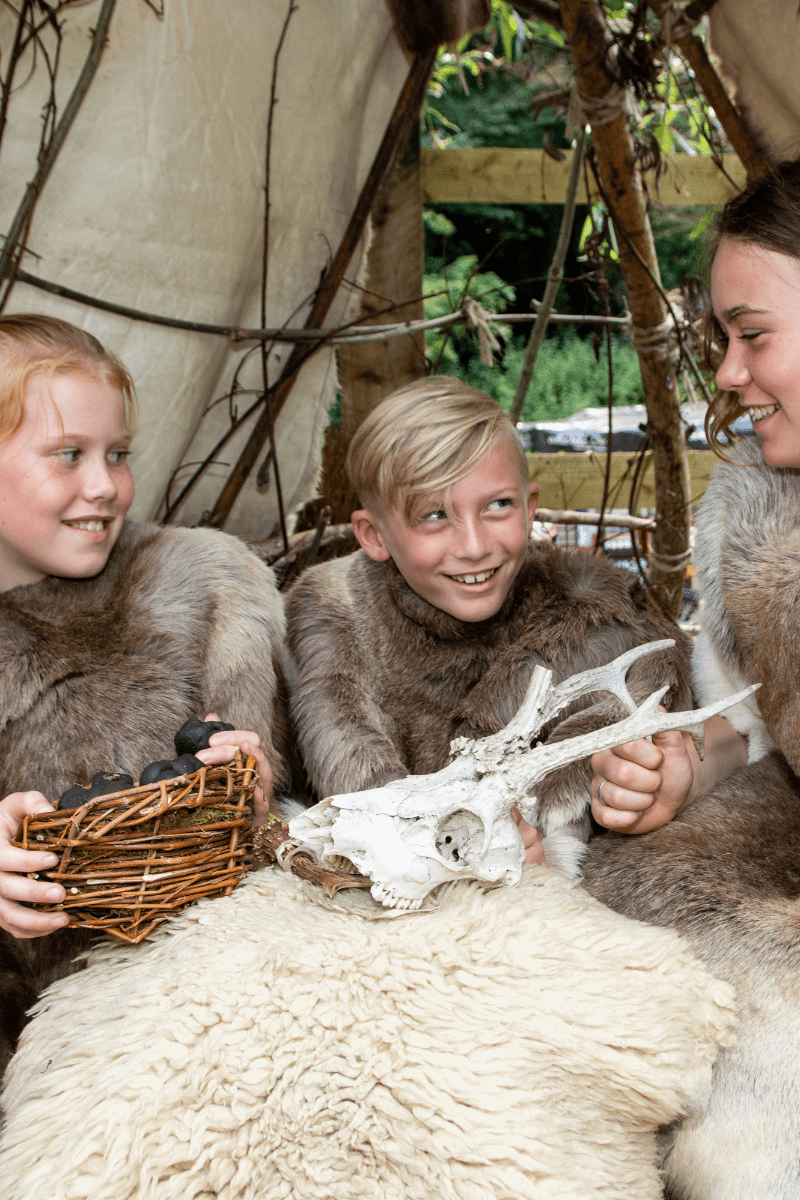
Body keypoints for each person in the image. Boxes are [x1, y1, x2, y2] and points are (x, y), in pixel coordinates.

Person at [0, 314, 289, 1073]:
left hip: (209, 993)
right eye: (68, 455)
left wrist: (249, 785)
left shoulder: (200, 585)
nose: (104, 485)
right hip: (35, 1026)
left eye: (118, 454)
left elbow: (270, 827)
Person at [284, 375, 692, 869]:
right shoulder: (334, 617)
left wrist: (651, 783)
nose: (475, 546)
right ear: (373, 536)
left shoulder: (602, 621)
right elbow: (317, 784)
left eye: (498, 505)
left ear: (530, 507)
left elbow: (708, 745)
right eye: (434, 515)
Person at [589, 157, 800, 832]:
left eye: (755, 335)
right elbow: (746, 724)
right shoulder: (752, 519)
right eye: (724, 337)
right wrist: (681, 772)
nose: (729, 371)